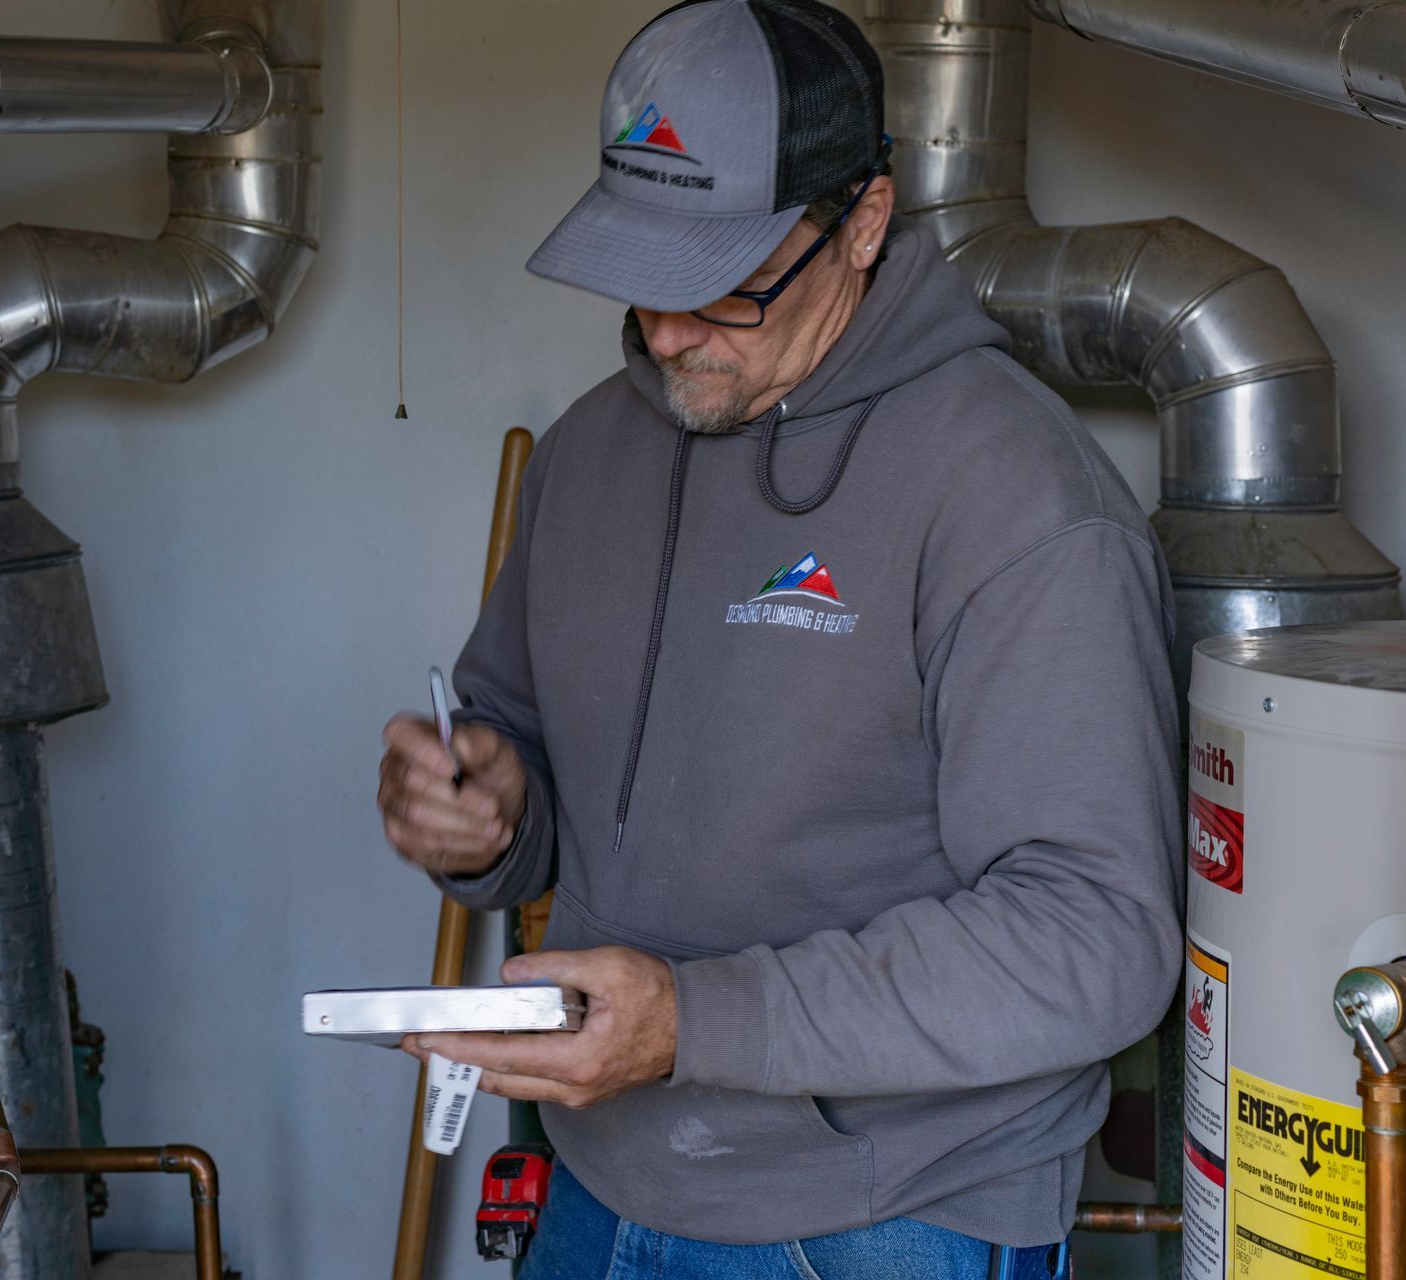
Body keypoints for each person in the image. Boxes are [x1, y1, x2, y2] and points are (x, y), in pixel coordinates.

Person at [374, 2, 1183, 1276]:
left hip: (893, 1208)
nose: (666, 332)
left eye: (724, 284)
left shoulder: (1016, 492)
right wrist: (481, 810)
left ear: (863, 222)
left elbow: (1094, 938)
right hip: (599, 1174)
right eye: (641, 274)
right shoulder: (587, 454)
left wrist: (696, 1020)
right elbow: (528, 767)